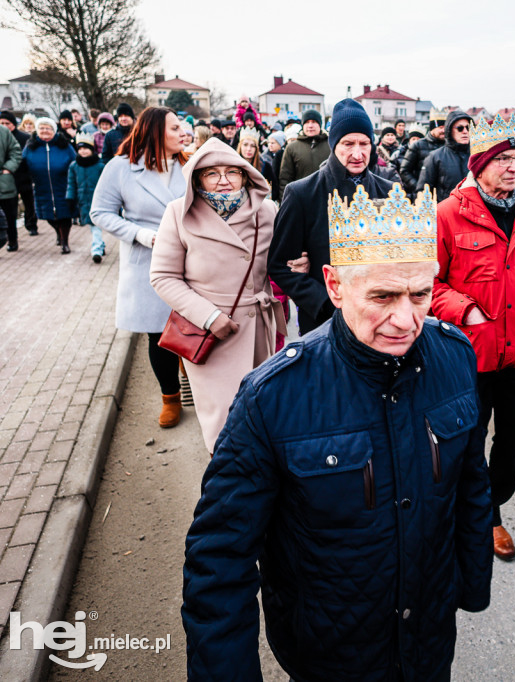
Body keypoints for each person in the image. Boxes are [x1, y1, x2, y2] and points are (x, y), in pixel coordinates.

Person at [181, 182, 493, 681]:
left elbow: (472, 483)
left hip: (429, 637)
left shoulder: (455, 357)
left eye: (420, 294)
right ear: (334, 285)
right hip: (328, 649)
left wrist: (471, 584)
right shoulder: (273, 396)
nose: (406, 319)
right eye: (383, 296)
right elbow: (219, 557)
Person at [432, 113, 515, 560]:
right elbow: (430, 284)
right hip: (469, 354)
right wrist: (466, 311)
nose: (514, 167)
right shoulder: (448, 215)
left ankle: (491, 506)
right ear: (479, 164)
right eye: (503, 159)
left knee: (512, 447)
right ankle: (479, 517)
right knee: (467, 441)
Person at [150, 139, 283, 454]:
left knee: (263, 414)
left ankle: (260, 477)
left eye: (232, 172)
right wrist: (210, 317)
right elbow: (163, 276)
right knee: (222, 423)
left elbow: (279, 261)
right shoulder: (178, 213)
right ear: (197, 178)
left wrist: (297, 263)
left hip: (257, 329)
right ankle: (225, 478)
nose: (224, 180)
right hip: (211, 336)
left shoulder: (266, 210)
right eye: (212, 173)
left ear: (245, 174)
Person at [91, 107, 188, 428]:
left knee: (194, 325)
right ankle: (170, 397)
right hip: (147, 260)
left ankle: (192, 379)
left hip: (190, 260)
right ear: (155, 131)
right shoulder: (121, 168)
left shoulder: (189, 165)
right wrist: (141, 235)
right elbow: (100, 212)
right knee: (159, 333)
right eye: (175, 128)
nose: (183, 132)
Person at [268, 98, 393, 334]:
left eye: (364, 143)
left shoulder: (389, 191)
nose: (357, 153)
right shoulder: (302, 193)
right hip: (325, 323)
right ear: (334, 144)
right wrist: (325, 302)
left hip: (379, 318)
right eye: (348, 144)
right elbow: (280, 265)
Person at [22, 117, 76, 253]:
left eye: (48, 128)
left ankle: (65, 242)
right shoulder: (31, 146)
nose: (45, 131)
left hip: (62, 185)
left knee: (65, 215)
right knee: (47, 216)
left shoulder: (64, 145)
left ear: (54, 131)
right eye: (42, 128)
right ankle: (58, 232)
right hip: (42, 187)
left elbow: (75, 161)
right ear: (37, 130)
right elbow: (23, 163)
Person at [66, 134, 106, 262]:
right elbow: (71, 183)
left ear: (92, 149)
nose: (83, 151)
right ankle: (100, 244)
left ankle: (96, 250)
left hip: (98, 201)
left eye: (86, 148)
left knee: (95, 225)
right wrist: (70, 198)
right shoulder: (74, 166)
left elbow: (106, 185)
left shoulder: (100, 166)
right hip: (83, 200)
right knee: (92, 225)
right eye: (80, 149)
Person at [418, 109, 471, 202]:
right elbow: (424, 190)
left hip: (474, 209)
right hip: (447, 208)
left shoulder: (477, 155)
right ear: (449, 130)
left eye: (468, 127)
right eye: (460, 128)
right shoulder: (435, 157)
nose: (465, 131)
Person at [2, 112, 37, 239]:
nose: (5, 126)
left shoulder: (24, 137)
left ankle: (31, 225)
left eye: (7, 123)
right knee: (11, 206)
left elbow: (26, 156)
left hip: (23, 175)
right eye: (2, 123)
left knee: (29, 203)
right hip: (8, 178)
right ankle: (12, 234)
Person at [277, 109, 329, 196]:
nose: (310, 126)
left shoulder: (331, 145)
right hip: (300, 197)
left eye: (314, 122)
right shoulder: (292, 148)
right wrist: (285, 199)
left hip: (326, 196)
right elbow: (285, 178)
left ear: (320, 125)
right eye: (307, 122)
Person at [400, 109, 446, 194]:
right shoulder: (418, 145)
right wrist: (418, 187)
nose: (443, 130)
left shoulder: (449, 146)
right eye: (440, 127)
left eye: (445, 127)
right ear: (432, 128)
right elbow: (404, 171)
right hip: (424, 196)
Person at [0, 121, 22, 251]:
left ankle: (12, 240)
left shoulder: (3, 131)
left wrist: (8, 168)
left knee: (9, 215)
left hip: (4, 181)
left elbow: (16, 151)